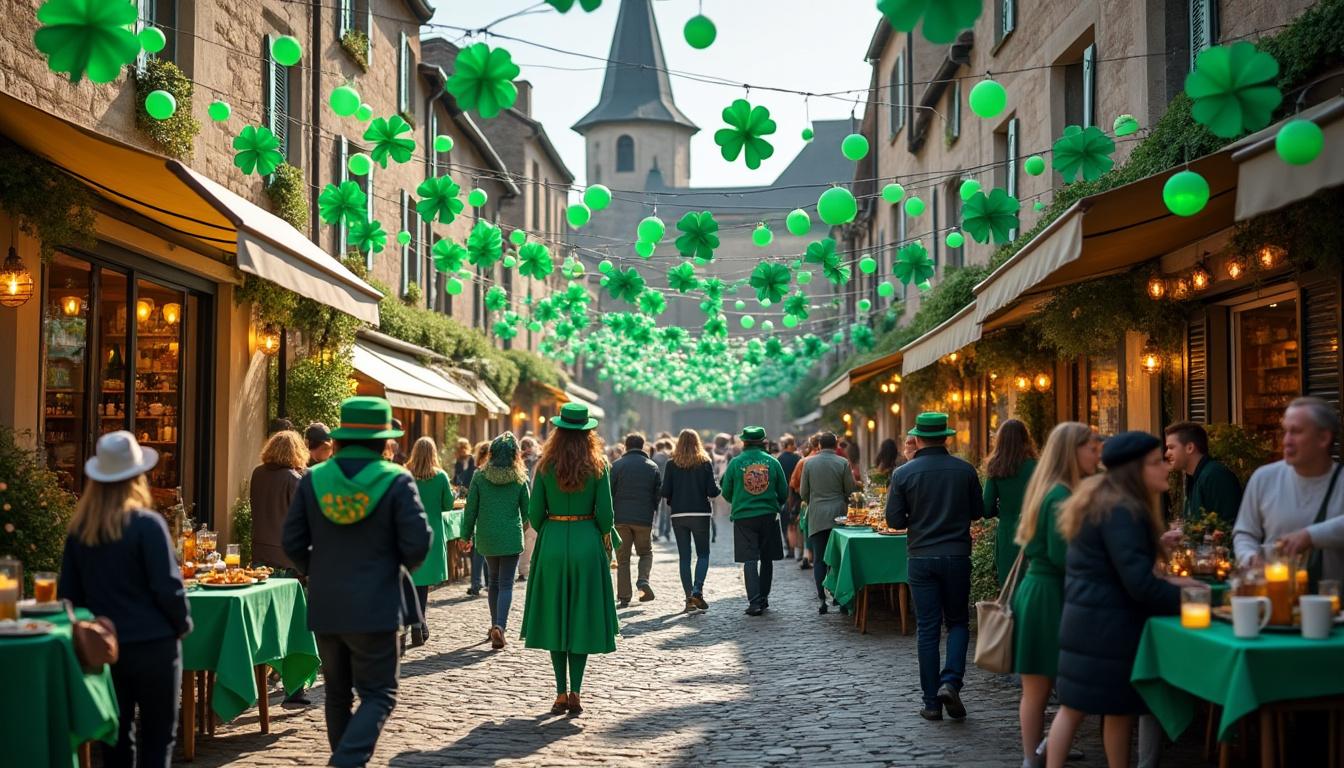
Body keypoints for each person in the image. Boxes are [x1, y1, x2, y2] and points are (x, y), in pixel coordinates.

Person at [282, 396, 431, 768]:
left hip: (327, 603)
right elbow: (418, 544)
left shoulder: (314, 479)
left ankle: (345, 758)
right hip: (376, 606)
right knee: (379, 693)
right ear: (383, 441)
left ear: (341, 437)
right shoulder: (396, 480)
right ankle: (346, 761)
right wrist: (392, 570)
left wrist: (317, 570)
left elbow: (292, 542)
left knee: (336, 695)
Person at [1046, 432, 1189, 768]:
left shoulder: (1104, 500)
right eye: (1157, 462)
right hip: (1107, 629)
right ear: (1136, 470)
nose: (1166, 467)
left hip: (1090, 623)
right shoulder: (1123, 510)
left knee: (1095, 709)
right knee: (1093, 709)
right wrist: (1195, 600)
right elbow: (1139, 583)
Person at [59, 431, 192, 768]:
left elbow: (68, 596)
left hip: (106, 646)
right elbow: (168, 587)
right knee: (158, 739)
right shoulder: (147, 525)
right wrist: (182, 624)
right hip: (154, 643)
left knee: (116, 742)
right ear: (137, 478)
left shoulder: (81, 531)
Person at [521, 403, 620, 716]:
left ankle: (560, 693)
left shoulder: (544, 466)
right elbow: (606, 517)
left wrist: (553, 527)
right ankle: (576, 690)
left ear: (558, 432)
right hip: (587, 544)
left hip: (552, 542)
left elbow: (535, 514)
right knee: (580, 619)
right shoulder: (599, 465)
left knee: (555, 617)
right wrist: (595, 531)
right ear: (588, 433)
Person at [885, 412, 983, 721]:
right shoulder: (964, 470)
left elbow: (894, 521)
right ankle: (950, 682)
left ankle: (931, 702)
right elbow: (978, 511)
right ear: (946, 437)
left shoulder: (903, 473)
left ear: (917, 438)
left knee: (927, 628)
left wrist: (919, 516)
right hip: (956, 555)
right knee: (957, 622)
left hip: (921, 556)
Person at [1011, 423, 1098, 768]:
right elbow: (1064, 556)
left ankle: (1038, 752)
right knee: (1049, 686)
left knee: (1039, 687)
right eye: (1091, 448)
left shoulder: (1049, 488)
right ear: (1072, 452)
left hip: (1040, 591)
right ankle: (1037, 754)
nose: (1097, 454)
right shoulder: (1061, 495)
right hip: (1049, 595)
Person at [1234, 397, 1344, 583]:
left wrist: (1310, 536)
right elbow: (1245, 533)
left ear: (1323, 438)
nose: (1286, 441)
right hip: (1276, 595)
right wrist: (1250, 557)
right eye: (1285, 431)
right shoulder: (1264, 478)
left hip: (1334, 599)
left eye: (1296, 432)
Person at [247, 429, 313, 706]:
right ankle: (294, 686)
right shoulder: (293, 480)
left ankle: (256, 681)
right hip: (289, 562)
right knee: (294, 626)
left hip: (260, 557)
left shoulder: (258, 474)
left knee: (262, 624)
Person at [463, 432, 530, 649]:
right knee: (506, 583)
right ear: (514, 454)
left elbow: (470, 509)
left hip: (487, 536)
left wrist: (465, 535)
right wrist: (522, 527)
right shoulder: (520, 478)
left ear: (491, 453)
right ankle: (500, 626)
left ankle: (495, 625)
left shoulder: (479, 476)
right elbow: (527, 512)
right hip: (510, 536)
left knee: (493, 581)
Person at [721, 426, 789, 616]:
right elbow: (783, 491)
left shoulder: (735, 463)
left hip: (744, 517)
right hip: (768, 515)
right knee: (767, 558)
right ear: (763, 442)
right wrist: (776, 504)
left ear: (744, 442)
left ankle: (754, 602)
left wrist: (737, 501)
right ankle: (764, 598)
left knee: (749, 559)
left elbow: (726, 490)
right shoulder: (772, 462)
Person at [662, 428, 720, 613]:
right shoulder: (704, 462)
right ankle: (697, 590)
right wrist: (718, 486)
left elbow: (665, 491)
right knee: (703, 554)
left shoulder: (671, 464)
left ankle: (689, 599)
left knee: (685, 557)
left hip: (679, 514)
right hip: (700, 514)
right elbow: (712, 491)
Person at [800, 432, 859, 614]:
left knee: (819, 559)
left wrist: (815, 501)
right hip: (838, 516)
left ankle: (821, 600)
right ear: (835, 446)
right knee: (838, 559)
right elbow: (850, 490)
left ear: (819, 446)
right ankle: (841, 600)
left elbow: (803, 492)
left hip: (817, 516)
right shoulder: (842, 463)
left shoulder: (809, 463)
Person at [405, 436, 453, 647]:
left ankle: (414, 623)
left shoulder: (405, 474)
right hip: (431, 531)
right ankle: (419, 623)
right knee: (423, 584)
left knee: (410, 580)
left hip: (408, 531)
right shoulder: (440, 477)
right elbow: (448, 504)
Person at [982, 419, 1039, 586]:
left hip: (1008, 533)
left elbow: (987, 509)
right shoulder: (1037, 466)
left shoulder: (996, 467)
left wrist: (1003, 512)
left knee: (1010, 588)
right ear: (1026, 439)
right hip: (1035, 531)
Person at [610, 432, 662, 607]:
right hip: (643, 518)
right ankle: (643, 580)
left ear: (625, 446)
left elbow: (610, 492)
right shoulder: (652, 466)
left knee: (623, 558)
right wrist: (652, 510)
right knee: (645, 553)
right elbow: (657, 494)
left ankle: (624, 596)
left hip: (620, 518)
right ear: (643, 446)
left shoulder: (616, 465)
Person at [249, 430, 308, 572]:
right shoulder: (293, 478)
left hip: (259, 549)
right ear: (296, 452)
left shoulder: (257, 473)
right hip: (286, 556)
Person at [1164, 421, 1242, 527]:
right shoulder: (1193, 478)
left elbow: (1230, 527)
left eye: (1171, 447)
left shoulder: (1215, 476)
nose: (1166, 454)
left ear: (1190, 448)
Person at [789, 433, 822, 570]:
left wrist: (802, 493)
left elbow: (793, 483)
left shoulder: (804, 461)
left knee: (807, 529)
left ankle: (807, 556)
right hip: (831, 502)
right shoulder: (837, 460)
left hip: (808, 501)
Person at [464, 440, 491, 597]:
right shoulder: (484, 472)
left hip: (481, 518)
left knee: (481, 552)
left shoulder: (480, 473)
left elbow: (472, 502)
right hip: (484, 517)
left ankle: (478, 583)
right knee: (483, 552)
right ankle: (483, 583)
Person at [776, 435, 803, 560]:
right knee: (795, 522)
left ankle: (789, 546)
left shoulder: (779, 459)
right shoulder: (798, 458)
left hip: (783, 494)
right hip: (796, 494)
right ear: (790, 445)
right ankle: (796, 547)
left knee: (785, 522)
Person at [650, 438, 673, 542]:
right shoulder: (669, 457)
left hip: (656, 486)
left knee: (656, 511)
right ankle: (666, 532)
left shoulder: (654, 457)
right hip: (668, 485)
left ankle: (655, 532)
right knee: (667, 511)